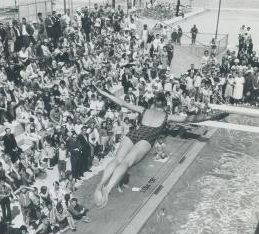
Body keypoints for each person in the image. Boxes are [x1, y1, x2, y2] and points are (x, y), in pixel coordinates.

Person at [93, 87, 227, 208]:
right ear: (164, 106)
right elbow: (192, 119)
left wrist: (103, 92)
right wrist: (215, 116)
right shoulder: (167, 116)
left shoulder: (144, 110)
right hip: (147, 138)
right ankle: (108, 189)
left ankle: (101, 184)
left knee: (117, 159)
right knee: (126, 163)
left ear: (153, 103)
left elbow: (121, 103)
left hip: (135, 133)